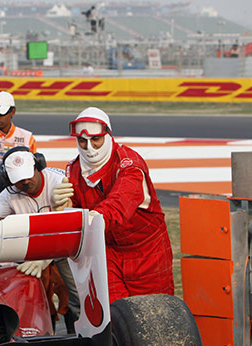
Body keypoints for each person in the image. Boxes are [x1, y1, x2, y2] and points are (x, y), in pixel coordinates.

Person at [52, 107, 174, 304]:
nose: (89, 147)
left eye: (95, 139)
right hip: (106, 249)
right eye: (82, 141)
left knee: (155, 311)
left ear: (108, 135)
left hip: (146, 251)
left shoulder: (129, 164)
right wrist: (61, 209)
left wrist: (90, 218)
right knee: (113, 313)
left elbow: (118, 205)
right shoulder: (73, 169)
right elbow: (72, 217)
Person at [0, 147, 80, 333]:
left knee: (79, 293)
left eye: (28, 175)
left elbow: (73, 225)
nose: (26, 181)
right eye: (19, 179)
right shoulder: (8, 194)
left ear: (39, 166)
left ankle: (83, 333)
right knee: (31, 293)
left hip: (67, 246)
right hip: (33, 251)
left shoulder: (60, 181)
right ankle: (41, 334)